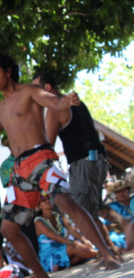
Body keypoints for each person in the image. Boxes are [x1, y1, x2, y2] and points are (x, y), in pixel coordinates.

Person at [0, 52, 120, 278]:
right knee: (8, 229)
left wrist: (66, 102)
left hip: (42, 159)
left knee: (65, 201)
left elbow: (53, 101)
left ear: (8, 71)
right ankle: (42, 276)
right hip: (21, 170)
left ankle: (107, 255)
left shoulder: (30, 92)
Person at [34, 71, 115, 252]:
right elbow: (92, 132)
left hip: (82, 161)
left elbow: (49, 144)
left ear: (47, 89)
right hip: (97, 156)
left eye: (37, 91)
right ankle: (111, 248)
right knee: (93, 209)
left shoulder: (55, 109)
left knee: (84, 213)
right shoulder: (78, 103)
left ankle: (107, 252)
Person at [34, 193, 98, 272]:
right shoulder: (38, 222)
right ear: (39, 206)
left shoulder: (59, 216)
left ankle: (63, 265)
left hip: (64, 250)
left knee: (81, 251)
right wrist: (76, 243)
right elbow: (55, 237)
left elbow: (72, 230)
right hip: (49, 255)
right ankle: (100, 254)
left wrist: (85, 241)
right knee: (74, 248)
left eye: (48, 198)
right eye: (43, 200)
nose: (47, 201)